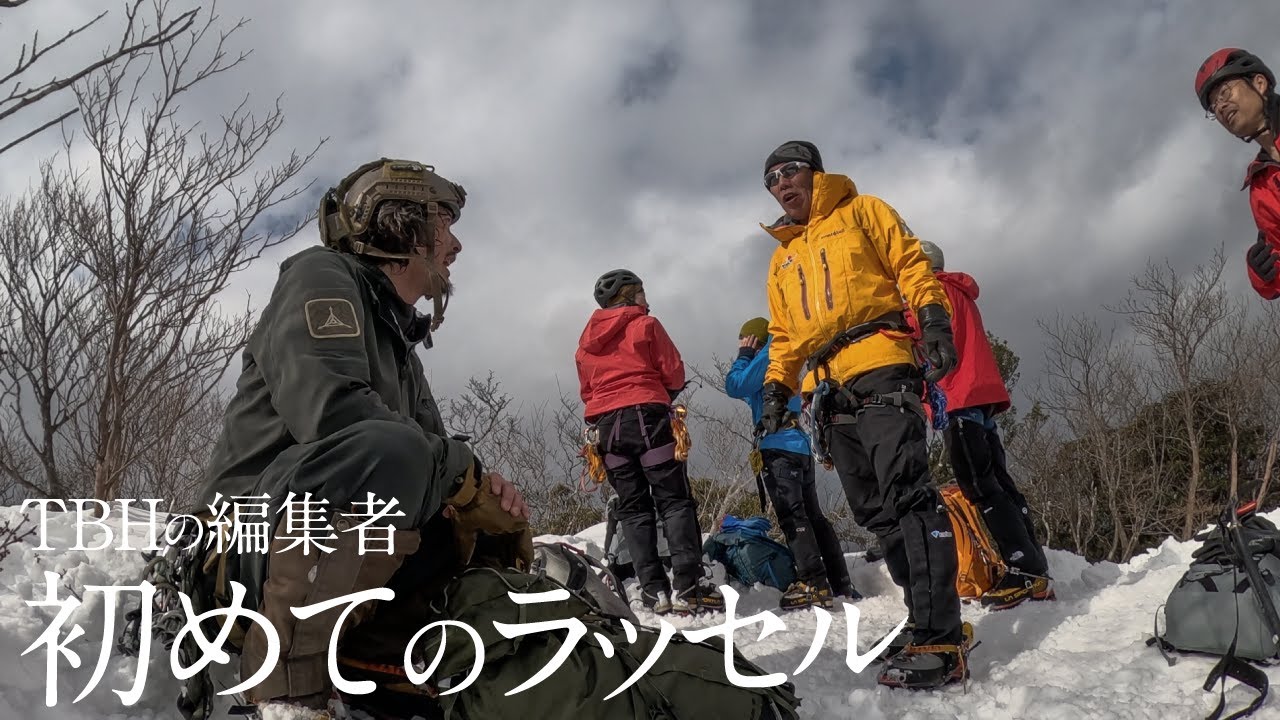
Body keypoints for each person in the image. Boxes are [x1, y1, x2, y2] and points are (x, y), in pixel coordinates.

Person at [194, 158, 533, 718]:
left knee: (466, 512)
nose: (456, 246)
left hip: (326, 549)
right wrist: (457, 470)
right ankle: (287, 693)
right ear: (399, 225)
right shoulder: (319, 275)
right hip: (241, 550)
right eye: (443, 224)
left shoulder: (399, 343)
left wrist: (483, 497)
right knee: (395, 453)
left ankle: (391, 670)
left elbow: (436, 474)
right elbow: (333, 413)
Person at [756, 140, 969, 690]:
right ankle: (920, 619)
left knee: (908, 493)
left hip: (880, 361)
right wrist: (777, 388)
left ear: (815, 173)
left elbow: (909, 263)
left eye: (789, 171)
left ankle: (942, 636)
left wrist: (934, 319)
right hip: (826, 388)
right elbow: (784, 335)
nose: (781, 183)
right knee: (873, 509)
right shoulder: (782, 258)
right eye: (771, 179)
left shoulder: (863, 210)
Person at [575, 269, 724, 615]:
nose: (646, 298)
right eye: (641, 292)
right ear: (629, 296)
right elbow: (674, 372)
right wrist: (659, 393)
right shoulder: (646, 325)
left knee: (632, 508)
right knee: (674, 500)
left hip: (607, 429)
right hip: (647, 417)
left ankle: (653, 591)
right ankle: (688, 586)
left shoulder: (585, 344)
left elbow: (587, 392)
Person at [917, 240, 1054, 610]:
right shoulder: (960, 291)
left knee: (980, 487)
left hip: (957, 396)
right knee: (1000, 483)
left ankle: (1023, 570)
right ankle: (1035, 565)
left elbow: (911, 335)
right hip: (982, 396)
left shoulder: (932, 294)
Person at [724, 316, 861, 609]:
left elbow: (734, 385)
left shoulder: (770, 353)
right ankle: (841, 584)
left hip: (778, 447)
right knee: (814, 516)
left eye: (744, 341)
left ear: (754, 340)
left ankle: (813, 583)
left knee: (793, 518)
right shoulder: (792, 354)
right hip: (800, 446)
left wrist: (745, 355)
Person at [1194, 48, 1280, 299]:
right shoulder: (1260, 187)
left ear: (1259, 83)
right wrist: (1263, 274)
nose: (1220, 107)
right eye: (1213, 106)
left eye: (1224, 92)